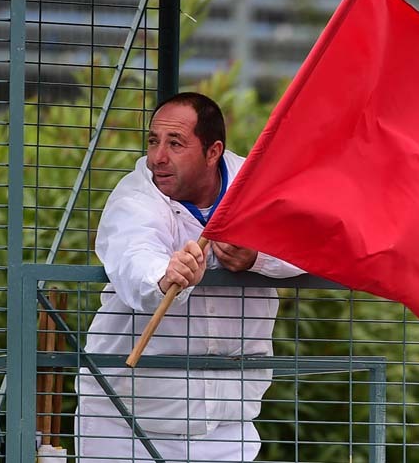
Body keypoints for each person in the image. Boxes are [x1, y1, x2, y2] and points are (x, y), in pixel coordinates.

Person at [75, 92, 303, 462]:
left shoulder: (255, 186)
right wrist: (165, 277)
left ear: (213, 152)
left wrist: (257, 257)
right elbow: (134, 252)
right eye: (153, 141)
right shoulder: (136, 194)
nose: (157, 157)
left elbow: (308, 242)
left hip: (227, 427)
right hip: (124, 423)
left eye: (175, 143)